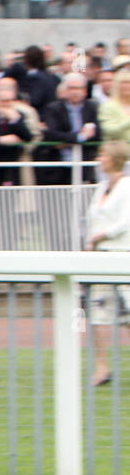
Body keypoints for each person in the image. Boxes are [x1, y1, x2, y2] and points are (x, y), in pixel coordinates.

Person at [86, 141, 130, 387]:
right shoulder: (102, 187)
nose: (99, 158)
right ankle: (102, 366)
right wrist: (90, 243)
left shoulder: (127, 186)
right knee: (97, 313)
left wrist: (101, 235)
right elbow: (93, 219)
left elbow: (126, 222)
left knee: (128, 314)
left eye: (103, 154)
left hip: (123, 254)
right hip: (99, 257)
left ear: (114, 158)